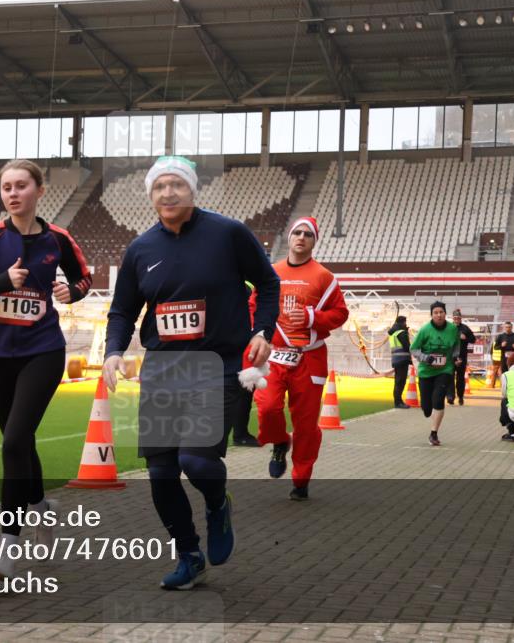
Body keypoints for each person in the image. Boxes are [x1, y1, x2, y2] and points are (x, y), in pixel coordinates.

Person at [103, 155, 279, 590]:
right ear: (150, 195)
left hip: (217, 365)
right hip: (162, 370)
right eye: (159, 187)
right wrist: (113, 351)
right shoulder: (140, 249)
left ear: (192, 190)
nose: (168, 193)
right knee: (161, 473)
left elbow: (268, 283)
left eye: (176, 185)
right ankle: (189, 555)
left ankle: (218, 503)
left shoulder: (228, 233)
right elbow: (122, 310)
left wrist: (263, 330)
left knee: (195, 459)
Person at [0, 159, 93, 578]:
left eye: (21, 186)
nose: (13, 194)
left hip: (43, 351)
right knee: (21, 444)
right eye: (6, 187)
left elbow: (85, 278)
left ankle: (7, 550)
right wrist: (0, 283)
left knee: (13, 442)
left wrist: (71, 292)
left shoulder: (59, 238)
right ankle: (42, 509)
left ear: (39, 191)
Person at [253, 216, 349, 501]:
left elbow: (340, 314)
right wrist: (257, 334)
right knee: (267, 408)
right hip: (274, 356)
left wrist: (312, 317)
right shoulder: (271, 272)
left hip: (309, 358)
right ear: (290, 236)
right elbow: (253, 306)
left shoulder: (325, 277)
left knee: (306, 425)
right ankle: (280, 441)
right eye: (297, 232)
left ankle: (301, 480)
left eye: (308, 234)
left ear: (314, 241)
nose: (302, 237)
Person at [410, 301, 460, 447]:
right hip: (426, 371)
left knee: (438, 400)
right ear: (431, 315)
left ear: (445, 313)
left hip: (445, 370)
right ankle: (427, 409)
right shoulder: (425, 330)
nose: (439, 315)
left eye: (441, 312)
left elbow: (456, 345)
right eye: (436, 313)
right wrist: (425, 358)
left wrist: (456, 357)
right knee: (426, 408)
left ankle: (433, 433)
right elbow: (414, 349)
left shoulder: (452, 329)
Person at [229, 282, 261, 447]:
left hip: (233, 343)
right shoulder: (246, 288)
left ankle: (240, 433)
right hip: (242, 345)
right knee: (244, 391)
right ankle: (240, 434)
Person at [447, 309, 476, 405]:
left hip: (462, 357)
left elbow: (473, 339)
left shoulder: (465, 328)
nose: (456, 320)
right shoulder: (448, 328)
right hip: (450, 357)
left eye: (458, 318)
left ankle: (460, 397)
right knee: (450, 377)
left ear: (461, 318)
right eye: (455, 318)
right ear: (452, 318)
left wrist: (465, 338)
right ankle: (450, 396)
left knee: (460, 378)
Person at [388, 315, 412, 409]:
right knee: (401, 382)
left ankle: (398, 401)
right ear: (403, 322)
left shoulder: (393, 333)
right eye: (405, 322)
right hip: (402, 360)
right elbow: (407, 347)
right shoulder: (401, 333)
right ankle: (398, 402)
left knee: (398, 381)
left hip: (396, 359)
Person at [489, 321, 514, 388]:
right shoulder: (501, 336)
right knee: (504, 372)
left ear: (512, 327)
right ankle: (505, 386)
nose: (508, 328)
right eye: (506, 327)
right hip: (504, 357)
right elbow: (495, 347)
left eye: (509, 327)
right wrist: (501, 345)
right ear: (504, 328)